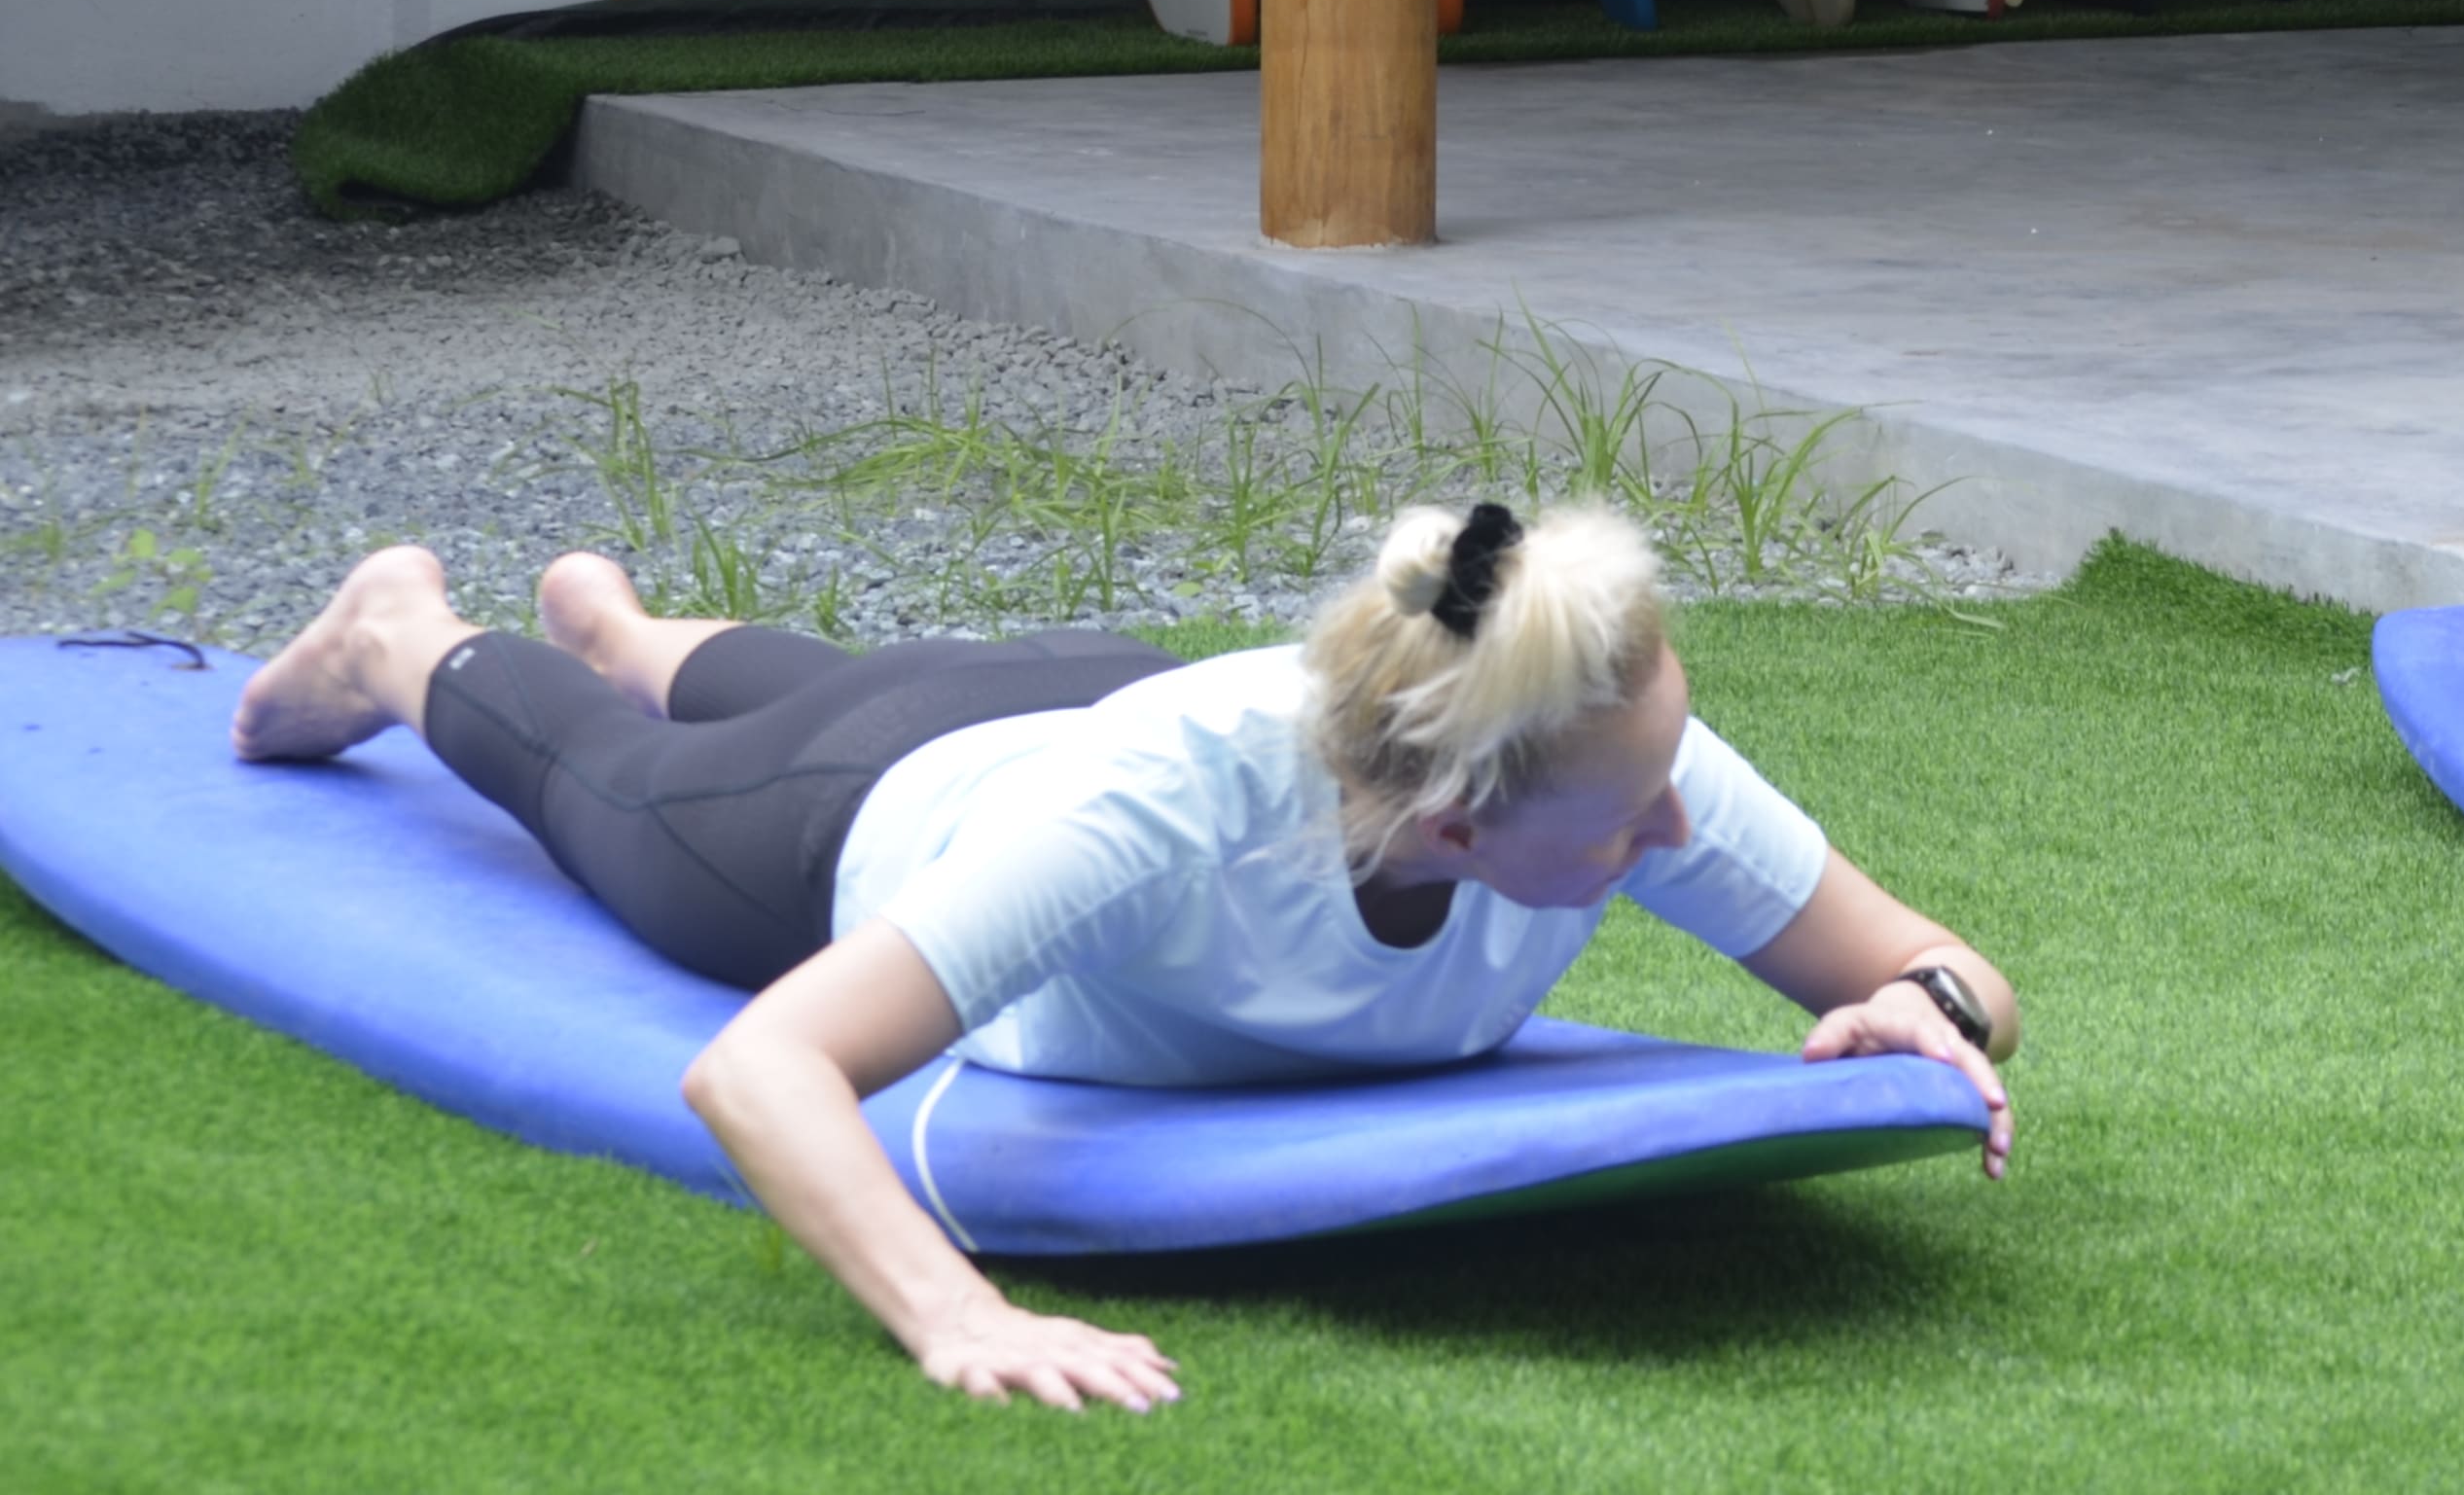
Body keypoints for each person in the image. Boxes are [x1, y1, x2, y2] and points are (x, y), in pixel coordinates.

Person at [227, 498, 2019, 1408]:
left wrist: (1915, 1006)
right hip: (875, 807)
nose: (1678, 840)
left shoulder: (1602, 737)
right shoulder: (1168, 809)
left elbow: (1952, 964)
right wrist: (959, 1318)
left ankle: (619, 617)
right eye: (1632, 829)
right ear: (1458, 827)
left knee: (830, 678)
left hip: (1080, 691)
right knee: (631, 790)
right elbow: (757, 1067)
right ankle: (406, 634)